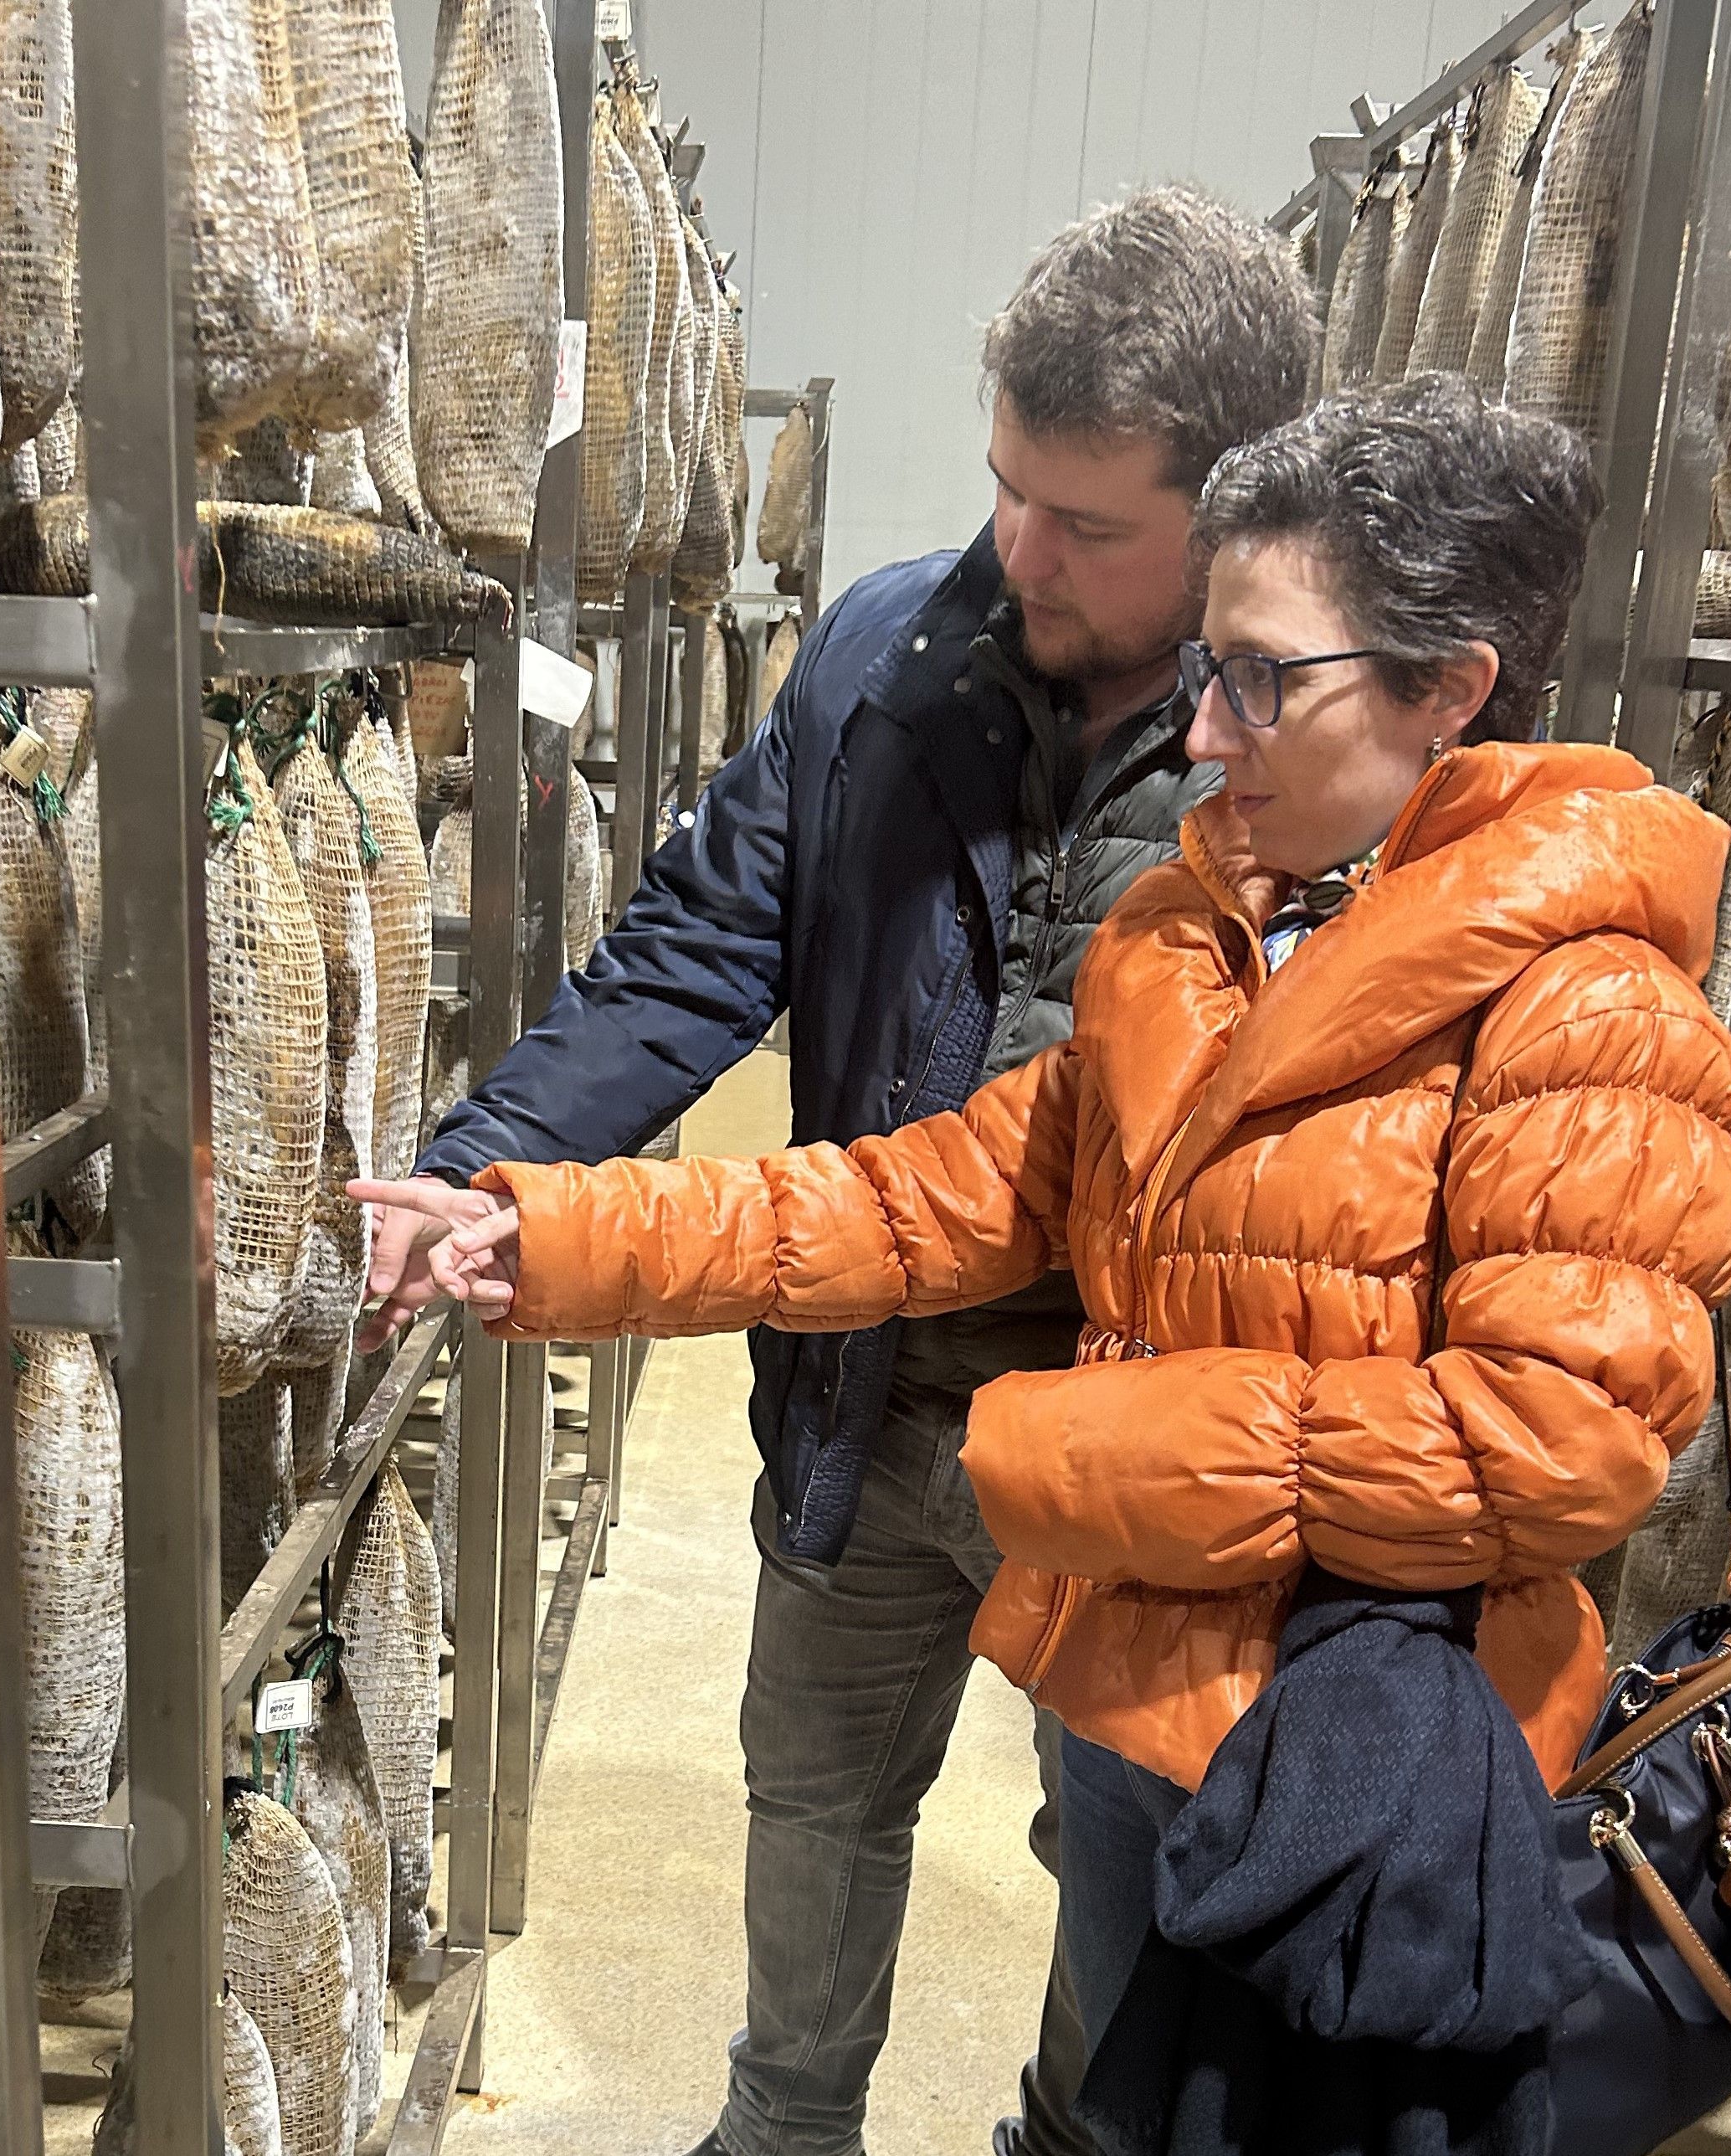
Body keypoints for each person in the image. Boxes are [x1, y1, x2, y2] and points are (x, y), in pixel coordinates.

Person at [360, 375, 1731, 2105]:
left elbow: (1566, 1442)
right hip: (1134, 1686)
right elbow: (910, 1197)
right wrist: (532, 1230)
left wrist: (1083, 1447)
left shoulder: (1589, 1010)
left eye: (1259, 677)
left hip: (1347, 1752)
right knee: (1097, 2103)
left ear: (1446, 688)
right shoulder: (1199, 940)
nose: (1203, 733)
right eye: (1206, 673)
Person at [358, 186, 1315, 2156]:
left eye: (1087, 525)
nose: (1016, 551)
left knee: (1123, 1859)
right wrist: (482, 1166)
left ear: (1233, 510)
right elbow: (697, 943)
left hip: (1145, 1452)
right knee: (810, 1797)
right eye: (1003, 487)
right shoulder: (886, 652)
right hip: (864, 1400)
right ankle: (781, 2129)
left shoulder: (1308, 759)